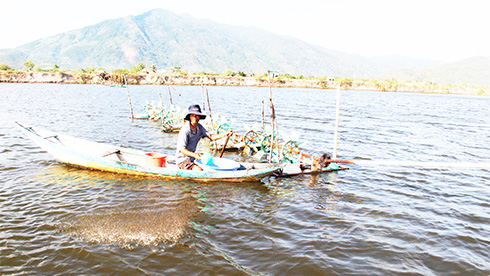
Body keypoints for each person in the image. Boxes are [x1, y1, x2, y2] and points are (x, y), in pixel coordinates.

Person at [176, 104, 233, 171]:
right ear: (190, 117)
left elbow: (211, 137)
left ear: (199, 117)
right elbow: (182, 149)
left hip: (192, 159)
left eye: (196, 116)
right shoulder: (185, 130)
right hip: (182, 160)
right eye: (192, 115)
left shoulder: (199, 127)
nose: (195, 117)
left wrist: (225, 134)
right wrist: (194, 155)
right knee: (199, 170)